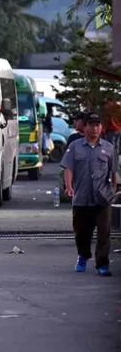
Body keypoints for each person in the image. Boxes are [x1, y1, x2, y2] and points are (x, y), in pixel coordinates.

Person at [60, 112, 117, 277]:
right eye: (91, 124)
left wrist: (112, 191)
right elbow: (68, 168)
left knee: (104, 232)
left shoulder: (108, 148)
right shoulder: (75, 146)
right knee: (81, 231)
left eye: (98, 125)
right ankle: (83, 256)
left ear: (102, 127)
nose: (95, 128)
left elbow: (113, 173)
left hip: (102, 197)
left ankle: (102, 264)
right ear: (85, 127)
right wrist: (69, 186)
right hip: (82, 196)